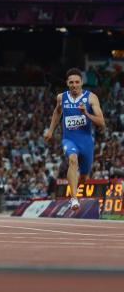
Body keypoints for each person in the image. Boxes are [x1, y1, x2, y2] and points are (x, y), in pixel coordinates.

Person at [44, 68, 106, 210]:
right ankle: (74, 198)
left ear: (81, 83)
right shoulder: (61, 97)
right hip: (69, 139)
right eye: (71, 82)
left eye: (77, 82)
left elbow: (101, 122)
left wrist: (86, 114)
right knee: (72, 161)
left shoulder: (91, 98)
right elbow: (57, 112)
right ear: (67, 83)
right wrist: (50, 130)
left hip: (86, 142)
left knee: (84, 176)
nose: (74, 85)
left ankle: (76, 191)